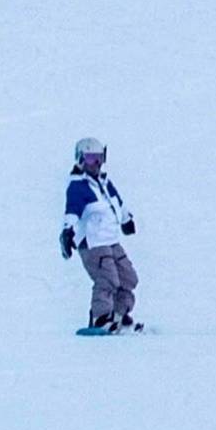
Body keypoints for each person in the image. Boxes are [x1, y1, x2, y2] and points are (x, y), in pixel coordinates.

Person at [58, 137, 140, 334]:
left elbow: (117, 202)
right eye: (90, 158)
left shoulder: (103, 182)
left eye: (99, 158)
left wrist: (126, 219)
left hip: (111, 240)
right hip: (93, 242)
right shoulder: (78, 186)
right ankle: (101, 318)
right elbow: (72, 210)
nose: (95, 163)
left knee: (128, 278)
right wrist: (67, 231)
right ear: (80, 159)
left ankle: (119, 316)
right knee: (107, 279)